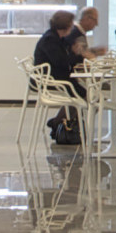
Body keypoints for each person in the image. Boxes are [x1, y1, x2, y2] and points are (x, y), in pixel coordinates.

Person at [31, 8, 85, 145]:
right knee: (82, 94)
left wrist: (75, 54)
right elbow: (62, 62)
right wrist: (76, 55)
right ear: (66, 26)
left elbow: (66, 59)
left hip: (56, 77)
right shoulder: (50, 40)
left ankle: (59, 122)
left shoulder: (56, 38)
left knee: (82, 92)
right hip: (49, 80)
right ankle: (60, 123)